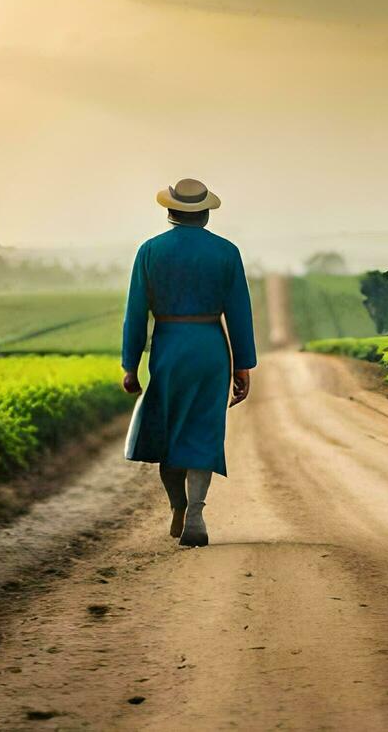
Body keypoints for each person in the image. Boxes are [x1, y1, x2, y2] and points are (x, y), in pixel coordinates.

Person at [120, 178, 256, 547]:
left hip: (169, 349)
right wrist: (242, 365)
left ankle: (178, 505)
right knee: (202, 430)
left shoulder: (150, 251)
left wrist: (130, 365)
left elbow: (136, 313)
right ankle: (196, 509)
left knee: (170, 433)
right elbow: (239, 313)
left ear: (170, 212)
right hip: (211, 349)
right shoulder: (227, 252)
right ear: (206, 215)